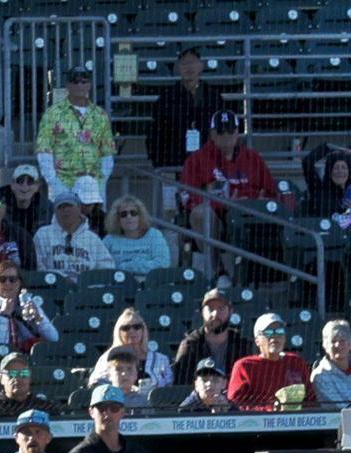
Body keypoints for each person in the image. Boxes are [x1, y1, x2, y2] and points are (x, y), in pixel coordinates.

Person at [179, 110, 275, 278]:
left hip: (251, 217)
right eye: (221, 131)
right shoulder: (197, 159)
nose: (226, 136)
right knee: (200, 213)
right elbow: (187, 197)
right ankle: (219, 272)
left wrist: (259, 201)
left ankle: (273, 276)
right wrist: (225, 203)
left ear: (237, 132)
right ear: (212, 134)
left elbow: (271, 190)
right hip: (219, 219)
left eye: (231, 131)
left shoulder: (253, 158)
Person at [35, 66, 115, 201]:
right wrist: (53, 181)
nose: (79, 85)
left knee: (95, 221)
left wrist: (102, 180)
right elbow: (44, 150)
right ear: (68, 85)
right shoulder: (53, 114)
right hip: (63, 183)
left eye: (83, 81)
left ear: (89, 85)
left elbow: (107, 151)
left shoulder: (100, 115)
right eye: (75, 82)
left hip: (93, 184)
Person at [148, 47, 226, 170]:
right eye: (184, 63)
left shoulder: (214, 97)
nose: (189, 67)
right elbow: (155, 134)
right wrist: (159, 163)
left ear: (201, 66)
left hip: (208, 163)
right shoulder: (166, 98)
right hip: (174, 163)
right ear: (178, 68)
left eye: (193, 63)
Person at [227, 313, 315, 411]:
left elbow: (311, 399)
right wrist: (268, 410)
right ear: (257, 341)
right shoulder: (244, 366)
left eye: (279, 331)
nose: (274, 337)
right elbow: (235, 405)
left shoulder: (296, 362)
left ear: (285, 338)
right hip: (258, 423)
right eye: (268, 332)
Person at [171, 289, 254, 385]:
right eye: (210, 309)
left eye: (221, 308)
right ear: (202, 312)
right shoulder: (190, 345)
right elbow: (181, 384)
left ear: (231, 311)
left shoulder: (241, 344)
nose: (215, 314)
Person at [0, 261, 58, 351]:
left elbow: (54, 338)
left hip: (25, 357)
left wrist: (38, 319)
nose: (7, 283)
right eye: (2, 279)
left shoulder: (27, 302)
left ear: (19, 282)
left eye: (12, 279)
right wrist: (4, 316)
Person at [33, 192, 114, 282]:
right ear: (55, 212)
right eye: (60, 207)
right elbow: (37, 267)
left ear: (79, 209)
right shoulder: (43, 234)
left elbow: (107, 268)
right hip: (52, 289)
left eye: (69, 206)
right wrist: (61, 279)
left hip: (85, 290)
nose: (65, 210)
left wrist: (86, 282)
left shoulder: (92, 239)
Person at [89, 308, 173, 389]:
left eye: (136, 327)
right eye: (126, 328)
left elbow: (168, 387)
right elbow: (95, 383)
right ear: (118, 332)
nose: (131, 331)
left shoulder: (161, 359)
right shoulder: (108, 358)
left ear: (143, 330)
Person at [102, 195, 170, 280]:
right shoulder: (109, 240)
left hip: (149, 286)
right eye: (123, 214)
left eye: (133, 213)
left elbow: (163, 264)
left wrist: (127, 266)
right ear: (117, 219)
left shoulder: (154, 235)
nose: (129, 217)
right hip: (118, 286)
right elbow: (101, 265)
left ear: (140, 216)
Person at [0, 352, 59, 420]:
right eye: (12, 373)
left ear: (30, 377)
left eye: (24, 373)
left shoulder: (45, 407)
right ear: (1, 378)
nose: (18, 378)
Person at [300, 143, 351, 217]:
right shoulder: (318, 188)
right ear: (330, 172)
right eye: (336, 168)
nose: (340, 171)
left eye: (344, 167)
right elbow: (307, 163)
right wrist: (329, 147)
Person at [0, 164, 49, 237]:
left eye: (30, 181)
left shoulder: (47, 210)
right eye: (20, 181)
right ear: (12, 185)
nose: (25, 185)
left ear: (37, 186)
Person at [312, 319, 351, 406]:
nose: (337, 345)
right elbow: (341, 408)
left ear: (350, 344)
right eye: (333, 341)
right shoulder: (320, 376)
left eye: (342, 340)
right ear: (325, 346)